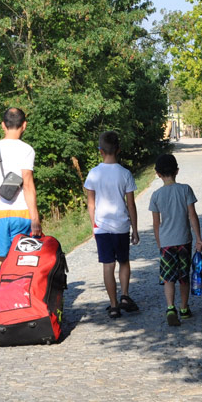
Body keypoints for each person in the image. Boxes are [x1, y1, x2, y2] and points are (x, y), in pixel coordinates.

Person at [0, 108, 41, 274]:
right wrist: (35, 218)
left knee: (1, 260)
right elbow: (28, 185)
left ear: (3, 125)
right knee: (22, 258)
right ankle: (20, 297)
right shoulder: (27, 150)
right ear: (24, 125)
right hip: (22, 214)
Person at [83, 131, 140, 319]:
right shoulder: (125, 174)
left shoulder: (93, 173)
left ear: (100, 151)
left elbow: (91, 203)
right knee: (124, 261)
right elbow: (130, 204)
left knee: (108, 265)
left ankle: (113, 305)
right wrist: (135, 229)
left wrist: (94, 225)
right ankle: (125, 295)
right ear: (119, 150)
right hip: (121, 226)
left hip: (102, 226)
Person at [148, 153, 202, 326]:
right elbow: (192, 215)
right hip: (184, 240)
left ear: (157, 173)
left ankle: (170, 307)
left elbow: (156, 224)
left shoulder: (156, 195)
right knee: (184, 277)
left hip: (166, 242)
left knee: (168, 277)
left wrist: (159, 244)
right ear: (177, 171)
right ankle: (184, 308)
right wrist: (199, 239)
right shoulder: (185, 189)